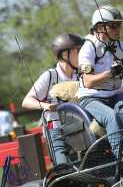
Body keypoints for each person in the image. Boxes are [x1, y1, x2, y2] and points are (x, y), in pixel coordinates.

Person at [77, 5, 123, 162]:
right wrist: (110, 73)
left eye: (119, 25)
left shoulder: (122, 47)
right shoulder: (88, 47)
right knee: (111, 117)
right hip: (91, 98)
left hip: (115, 95)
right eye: (113, 26)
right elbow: (88, 82)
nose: (118, 29)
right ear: (100, 28)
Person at [22, 33, 84, 165]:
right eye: (78, 51)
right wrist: (45, 106)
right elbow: (26, 101)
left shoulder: (80, 76)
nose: (82, 54)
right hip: (56, 132)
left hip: (80, 129)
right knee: (64, 168)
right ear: (65, 55)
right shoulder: (50, 76)